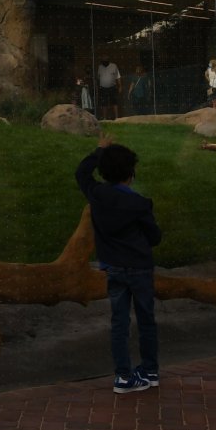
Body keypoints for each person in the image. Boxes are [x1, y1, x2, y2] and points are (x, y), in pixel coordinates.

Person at [75, 135, 162, 393]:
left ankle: (123, 376)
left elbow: (81, 173)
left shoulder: (97, 195)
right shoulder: (139, 204)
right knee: (146, 319)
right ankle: (150, 370)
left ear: (104, 172)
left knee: (119, 321)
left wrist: (99, 151)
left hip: (112, 267)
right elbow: (154, 237)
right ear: (131, 174)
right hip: (140, 267)